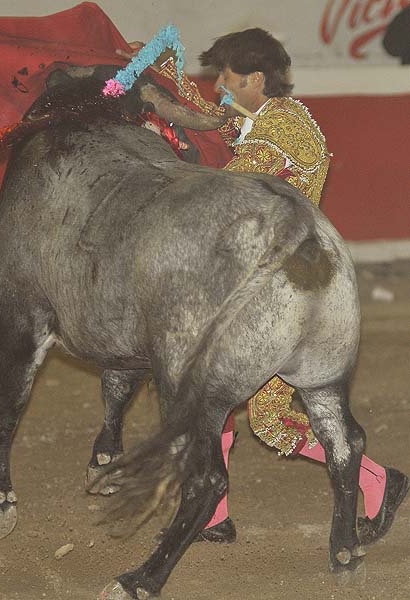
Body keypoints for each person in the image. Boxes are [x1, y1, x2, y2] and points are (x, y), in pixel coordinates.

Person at [118, 27, 409, 546]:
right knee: (215, 391)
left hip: (288, 299)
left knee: (270, 420)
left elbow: (221, 190)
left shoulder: (280, 132)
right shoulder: (266, 116)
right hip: (270, 282)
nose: (218, 89)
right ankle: (213, 515)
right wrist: (157, 72)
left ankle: (378, 480)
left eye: (226, 79)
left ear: (255, 79)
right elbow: (208, 115)